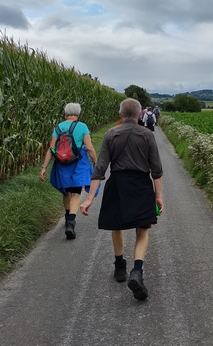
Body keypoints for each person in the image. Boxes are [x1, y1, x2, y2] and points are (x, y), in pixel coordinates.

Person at [80, 98, 164, 301]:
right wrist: (158, 196)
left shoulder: (110, 134)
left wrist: (90, 197)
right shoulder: (147, 134)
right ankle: (137, 271)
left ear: (120, 114)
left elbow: (100, 168)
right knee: (142, 230)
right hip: (141, 184)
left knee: (116, 225)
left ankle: (119, 267)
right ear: (138, 115)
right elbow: (157, 170)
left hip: (117, 183)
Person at [40, 103, 97, 239]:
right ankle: (71, 222)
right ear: (78, 113)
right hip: (79, 161)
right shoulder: (82, 126)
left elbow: (51, 148)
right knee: (76, 192)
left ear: (65, 113)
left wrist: (44, 168)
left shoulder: (58, 127)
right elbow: (89, 147)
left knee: (67, 191)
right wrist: (96, 161)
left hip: (62, 162)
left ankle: (67, 218)